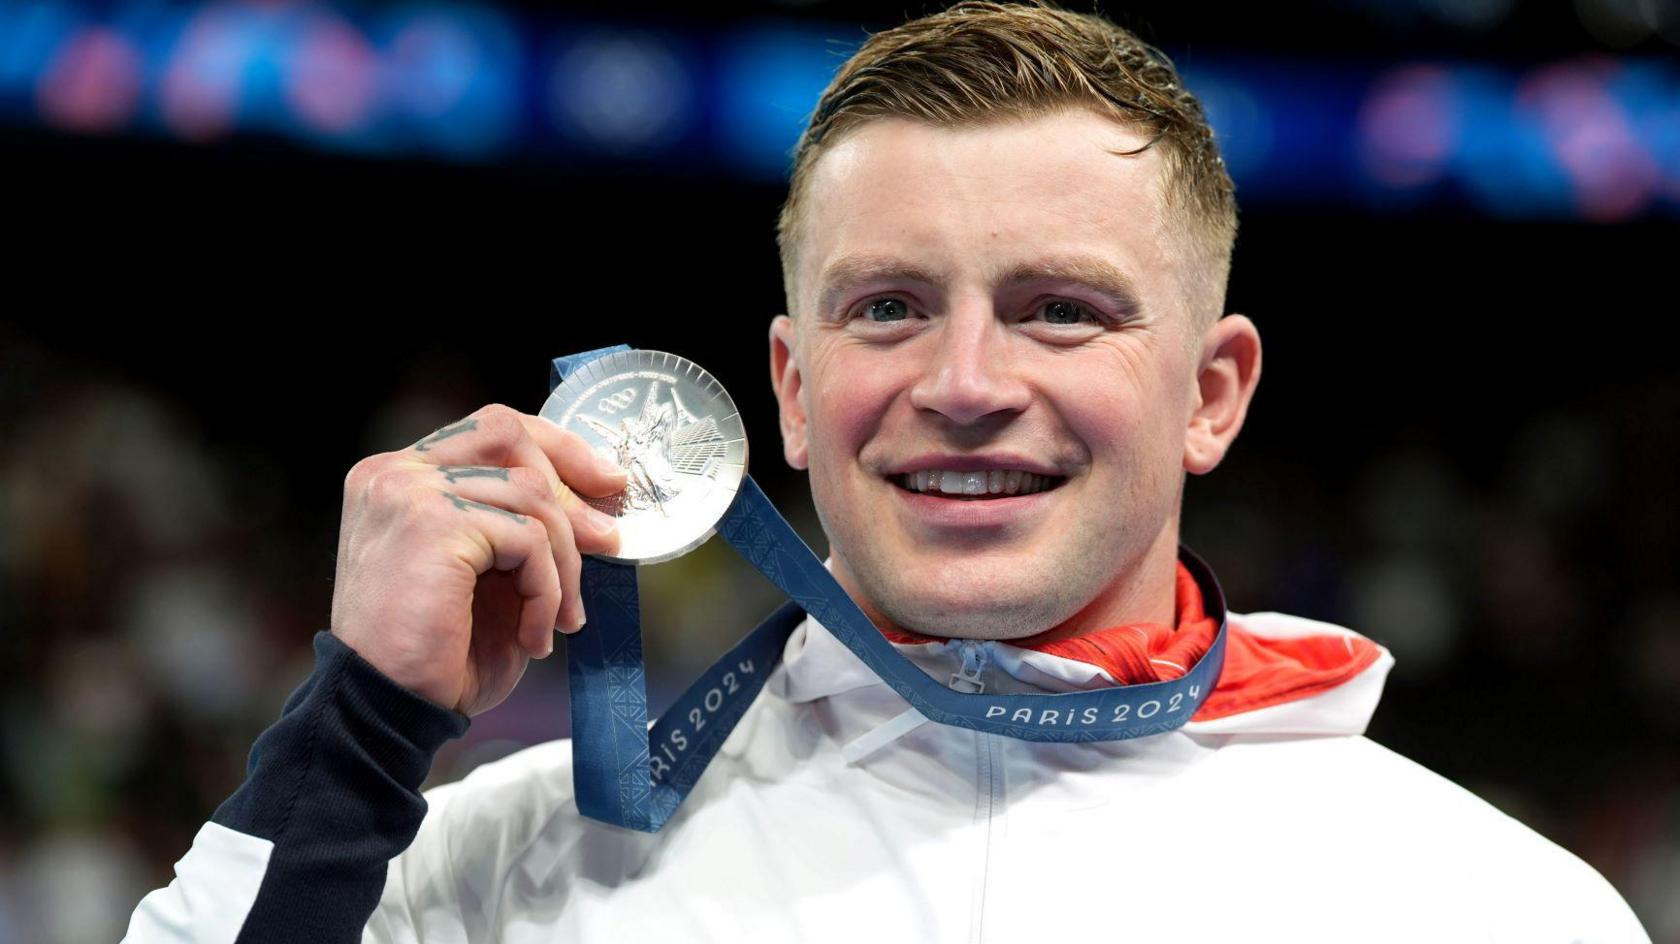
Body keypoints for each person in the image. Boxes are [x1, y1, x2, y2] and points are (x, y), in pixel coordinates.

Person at [123, 2, 1651, 941]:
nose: (967, 386)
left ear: (1211, 392)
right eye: (889, 308)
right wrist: (361, 730)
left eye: (1060, 310)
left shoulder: (1483, 908)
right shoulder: (494, 870)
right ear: (791, 389)